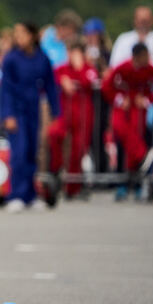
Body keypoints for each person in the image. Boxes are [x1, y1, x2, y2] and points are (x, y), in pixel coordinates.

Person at [0, 22, 61, 213]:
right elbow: (5, 89)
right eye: (16, 33)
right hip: (16, 109)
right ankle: (16, 194)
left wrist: (55, 111)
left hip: (33, 107)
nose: (18, 37)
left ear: (32, 35)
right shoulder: (11, 59)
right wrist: (7, 114)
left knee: (32, 152)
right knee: (19, 151)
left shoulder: (42, 58)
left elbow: (50, 85)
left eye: (22, 33)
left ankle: (30, 195)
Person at [101, 43, 153, 200]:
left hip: (139, 109)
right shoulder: (122, 67)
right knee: (121, 133)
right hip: (124, 107)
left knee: (138, 136)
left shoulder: (151, 69)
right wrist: (120, 100)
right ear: (136, 56)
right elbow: (107, 87)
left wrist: (147, 100)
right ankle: (143, 156)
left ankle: (137, 184)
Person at [46, 42, 99, 198]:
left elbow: (90, 81)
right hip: (64, 112)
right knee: (54, 134)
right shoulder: (62, 68)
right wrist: (63, 80)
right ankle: (57, 169)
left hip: (83, 113)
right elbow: (51, 78)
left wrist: (79, 67)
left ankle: (72, 186)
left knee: (79, 148)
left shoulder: (88, 69)